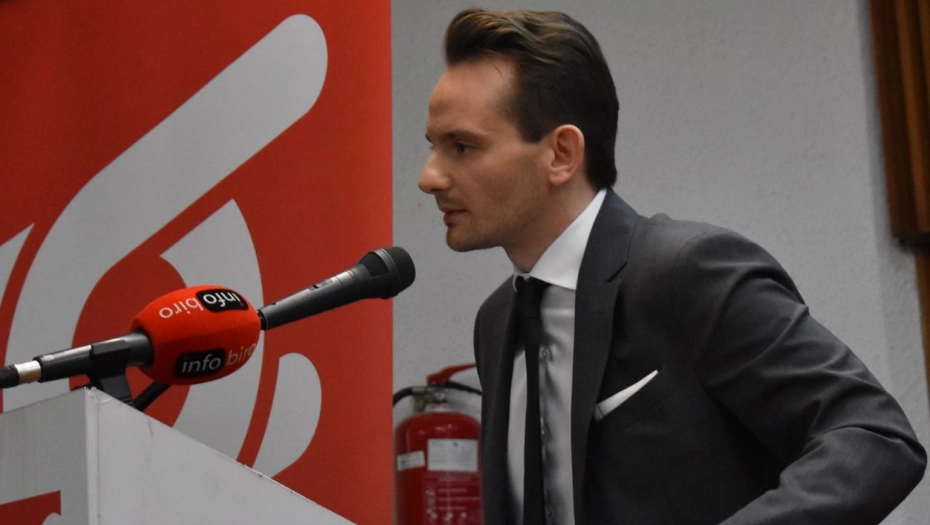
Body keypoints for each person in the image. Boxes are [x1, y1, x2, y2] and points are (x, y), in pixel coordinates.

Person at [417, 7, 927, 525]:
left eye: (463, 146)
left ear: (562, 154)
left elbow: (873, 437)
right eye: (434, 147)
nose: (429, 177)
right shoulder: (497, 321)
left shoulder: (687, 272)